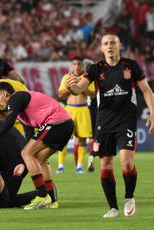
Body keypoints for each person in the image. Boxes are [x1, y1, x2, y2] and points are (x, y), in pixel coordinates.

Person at [66, 32, 154, 218]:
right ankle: (113, 207)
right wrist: (70, 86)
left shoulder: (131, 65)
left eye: (113, 42)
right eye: (105, 43)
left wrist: (153, 112)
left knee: (127, 164)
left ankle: (129, 197)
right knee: (105, 164)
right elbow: (79, 88)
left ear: (119, 45)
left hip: (126, 121)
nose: (109, 46)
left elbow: (146, 90)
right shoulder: (96, 69)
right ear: (101, 47)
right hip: (103, 123)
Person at [0, 82, 74, 210]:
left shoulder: (17, 97)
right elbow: (29, 140)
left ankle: (41, 195)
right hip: (65, 125)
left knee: (26, 153)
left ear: (5, 94)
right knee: (39, 159)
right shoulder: (23, 113)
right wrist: (24, 163)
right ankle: (52, 199)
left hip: (57, 123)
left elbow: (9, 122)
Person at [56, 57, 95, 174]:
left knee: (83, 139)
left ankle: (79, 167)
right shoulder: (66, 77)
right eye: (74, 64)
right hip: (69, 110)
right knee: (64, 139)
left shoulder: (87, 78)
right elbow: (60, 94)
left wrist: (80, 86)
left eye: (79, 64)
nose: (77, 66)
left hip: (83, 109)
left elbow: (92, 95)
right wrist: (71, 86)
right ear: (71, 65)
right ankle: (60, 166)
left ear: (82, 66)